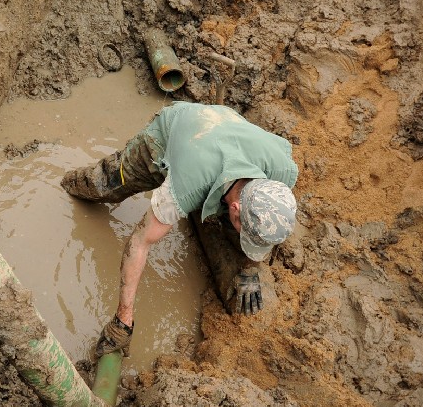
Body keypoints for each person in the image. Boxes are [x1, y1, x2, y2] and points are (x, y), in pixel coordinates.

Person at [60, 101, 298, 358]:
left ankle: (220, 210)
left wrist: (250, 270)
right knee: (106, 186)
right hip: (172, 134)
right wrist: (123, 320)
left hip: (226, 128)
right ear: (236, 209)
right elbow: (140, 241)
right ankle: (64, 184)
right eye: (245, 231)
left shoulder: (282, 172)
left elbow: (267, 222)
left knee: (235, 228)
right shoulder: (187, 185)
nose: (245, 238)